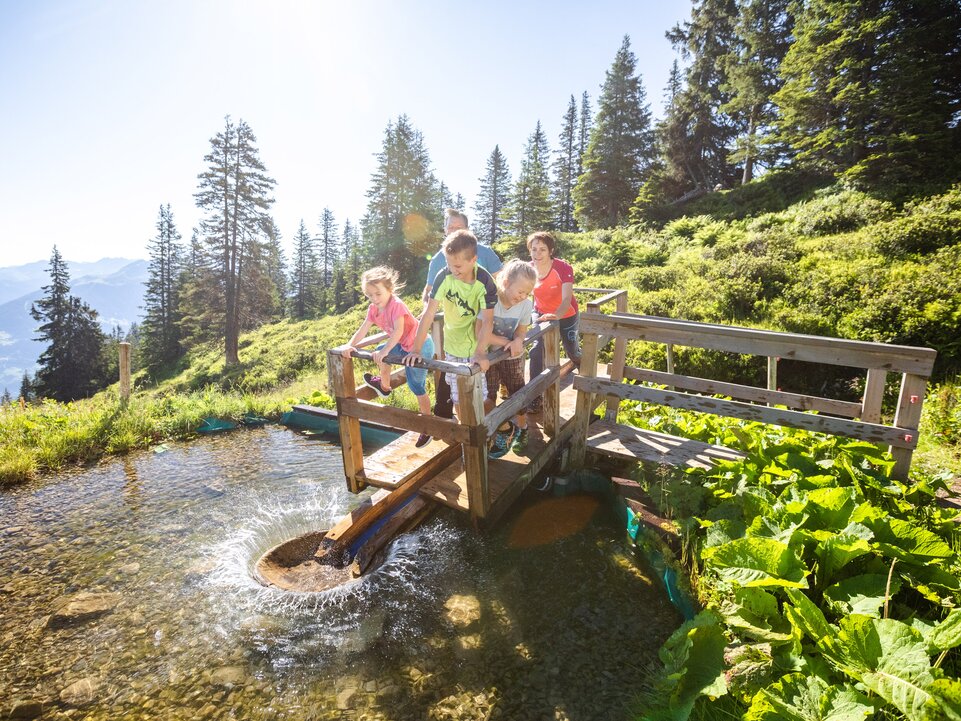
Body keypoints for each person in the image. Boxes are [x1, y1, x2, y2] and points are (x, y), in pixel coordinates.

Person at [404, 229, 496, 415]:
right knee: (457, 398)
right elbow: (429, 314)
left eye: (459, 266)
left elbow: (488, 320)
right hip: (452, 345)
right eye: (449, 264)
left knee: (480, 398)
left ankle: (489, 432)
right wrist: (416, 349)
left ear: (473, 260)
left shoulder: (485, 281)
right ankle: (466, 438)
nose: (454, 270)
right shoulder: (443, 276)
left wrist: (480, 352)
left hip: (475, 346)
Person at [422, 209, 503, 419]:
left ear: (467, 229)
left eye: (458, 228)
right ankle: (464, 428)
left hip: (484, 327)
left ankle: (493, 427)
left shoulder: (484, 253)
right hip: (453, 332)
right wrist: (425, 316)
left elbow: (502, 282)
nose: (453, 231)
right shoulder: (439, 260)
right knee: (454, 387)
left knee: (487, 383)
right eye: (450, 228)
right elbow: (429, 292)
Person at [342, 266, 434, 448]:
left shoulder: (397, 305)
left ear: (389, 290)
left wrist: (384, 353)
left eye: (378, 294)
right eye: (369, 295)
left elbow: (399, 331)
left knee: (416, 385)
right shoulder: (373, 309)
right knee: (381, 349)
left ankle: (428, 427)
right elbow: (364, 329)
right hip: (401, 345)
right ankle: (384, 387)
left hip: (420, 345)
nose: (374, 299)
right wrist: (350, 345)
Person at [483, 259, 536, 458]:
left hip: (511, 356)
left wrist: (517, 341)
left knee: (516, 391)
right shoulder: (491, 299)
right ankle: (501, 430)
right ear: (505, 283)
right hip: (489, 355)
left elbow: (521, 332)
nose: (522, 297)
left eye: (527, 293)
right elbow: (481, 331)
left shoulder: (525, 305)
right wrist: (504, 340)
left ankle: (522, 429)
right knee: (488, 394)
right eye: (519, 291)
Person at [527, 231, 581, 414]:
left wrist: (556, 316)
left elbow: (566, 299)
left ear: (551, 251)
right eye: (534, 249)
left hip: (566, 314)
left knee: (571, 349)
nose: (537, 253)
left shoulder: (563, 268)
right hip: (540, 313)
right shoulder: (528, 269)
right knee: (536, 350)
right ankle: (534, 397)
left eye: (542, 249)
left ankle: (585, 375)